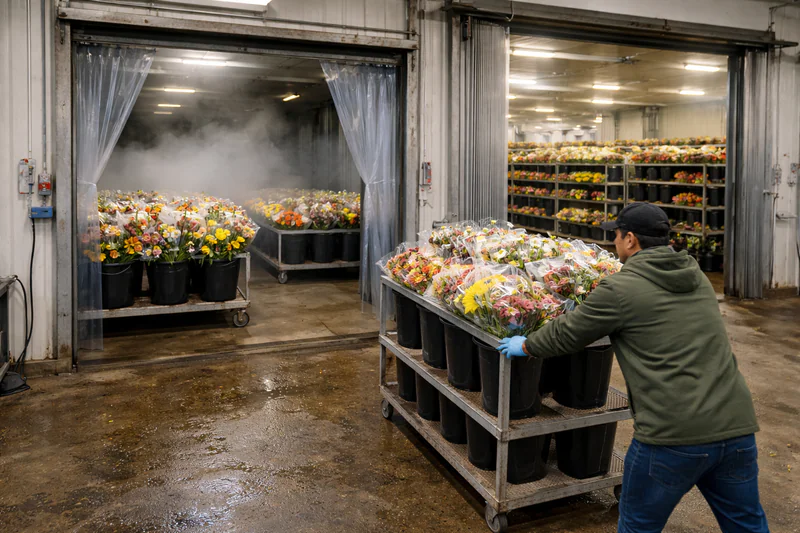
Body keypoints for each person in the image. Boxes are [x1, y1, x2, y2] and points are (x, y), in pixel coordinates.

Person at [498, 203, 768, 533]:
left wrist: (525, 345)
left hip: (671, 435)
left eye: (615, 235)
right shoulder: (695, 275)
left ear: (630, 239)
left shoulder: (621, 289)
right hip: (736, 428)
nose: (613, 243)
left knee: (638, 526)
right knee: (747, 525)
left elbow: (569, 333)